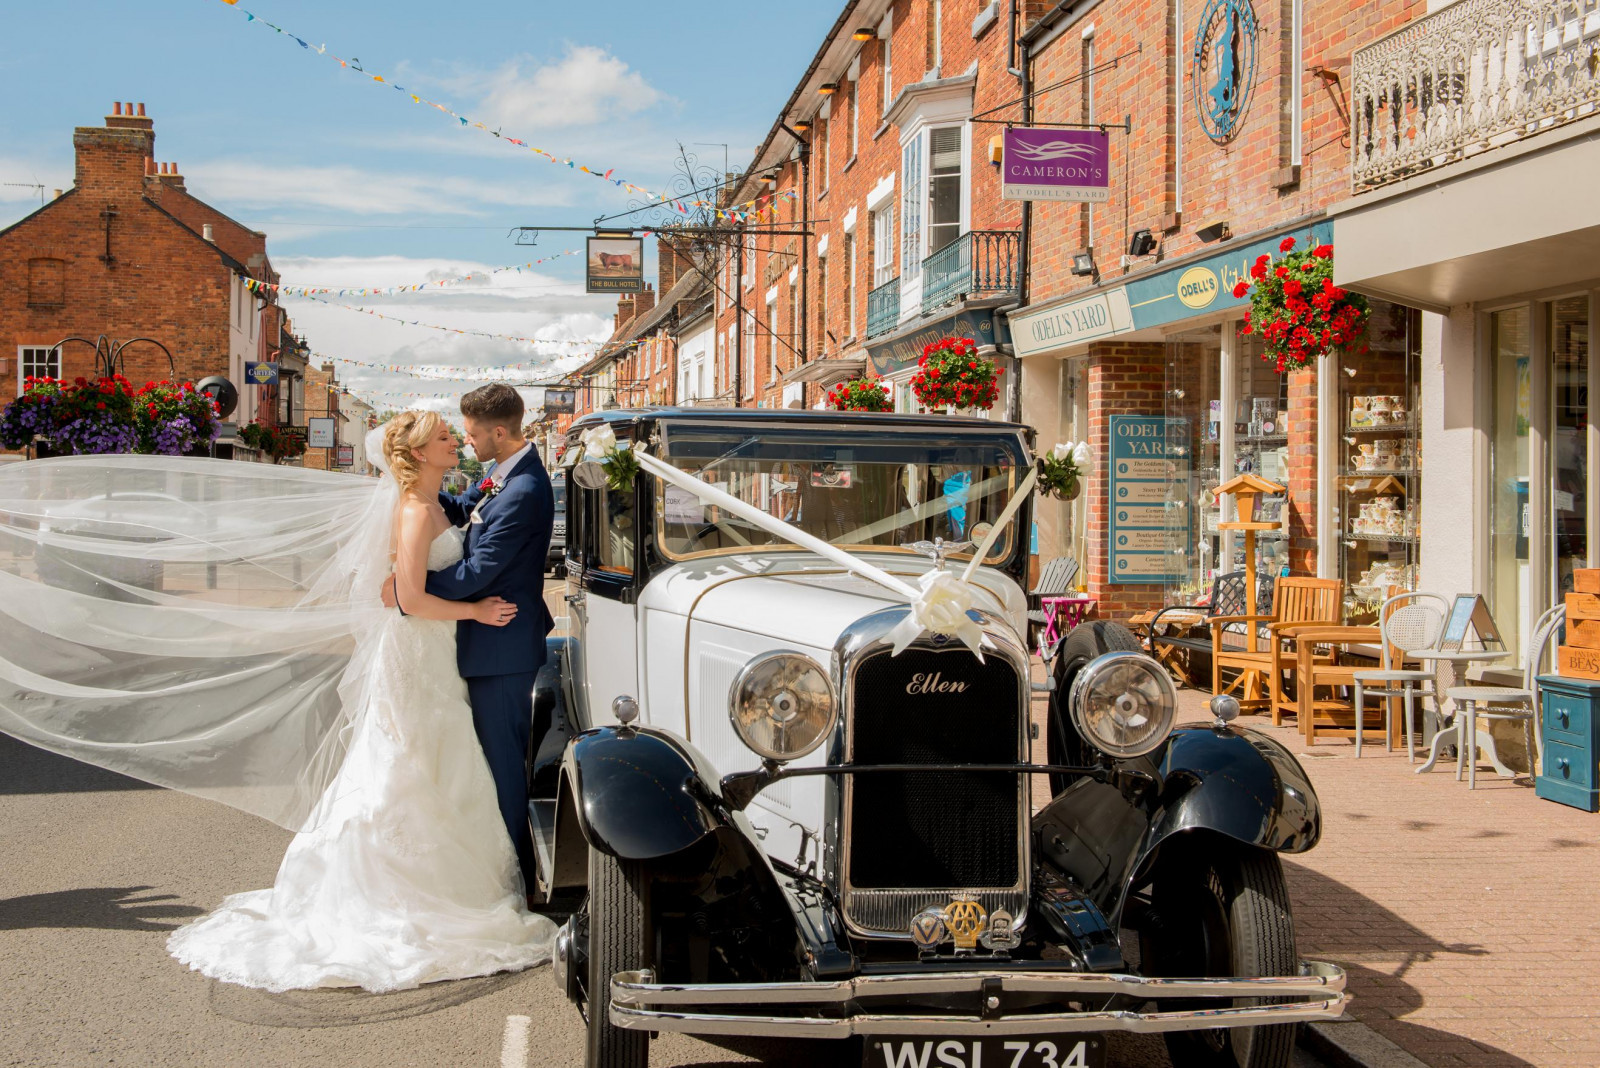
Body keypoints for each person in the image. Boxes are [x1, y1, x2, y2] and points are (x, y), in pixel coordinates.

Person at [161, 410, 553, 992]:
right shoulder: (415, 509)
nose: (456, 441)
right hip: (419, 646)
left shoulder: (438, 501)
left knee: (439, 758)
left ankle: (465, 879)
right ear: (418, 453)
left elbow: (420, 573)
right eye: (445, 437)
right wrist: (471, 609)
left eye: (457, 434)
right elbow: (411, 600)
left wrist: (414, 590)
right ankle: (409, 890)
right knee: (411, 759)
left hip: (437, 650)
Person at [381, 384, 556, 900]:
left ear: (499, 432)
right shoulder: (503, 475)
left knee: (501, 767)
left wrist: (408, 589)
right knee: (477, 763)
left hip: (501, 644)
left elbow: (476, 573)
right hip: (480, 642)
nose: (465, 440)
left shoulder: (523, 490)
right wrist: (415, 487)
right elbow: (461, 508)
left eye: (472, 433)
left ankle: (517, 879)